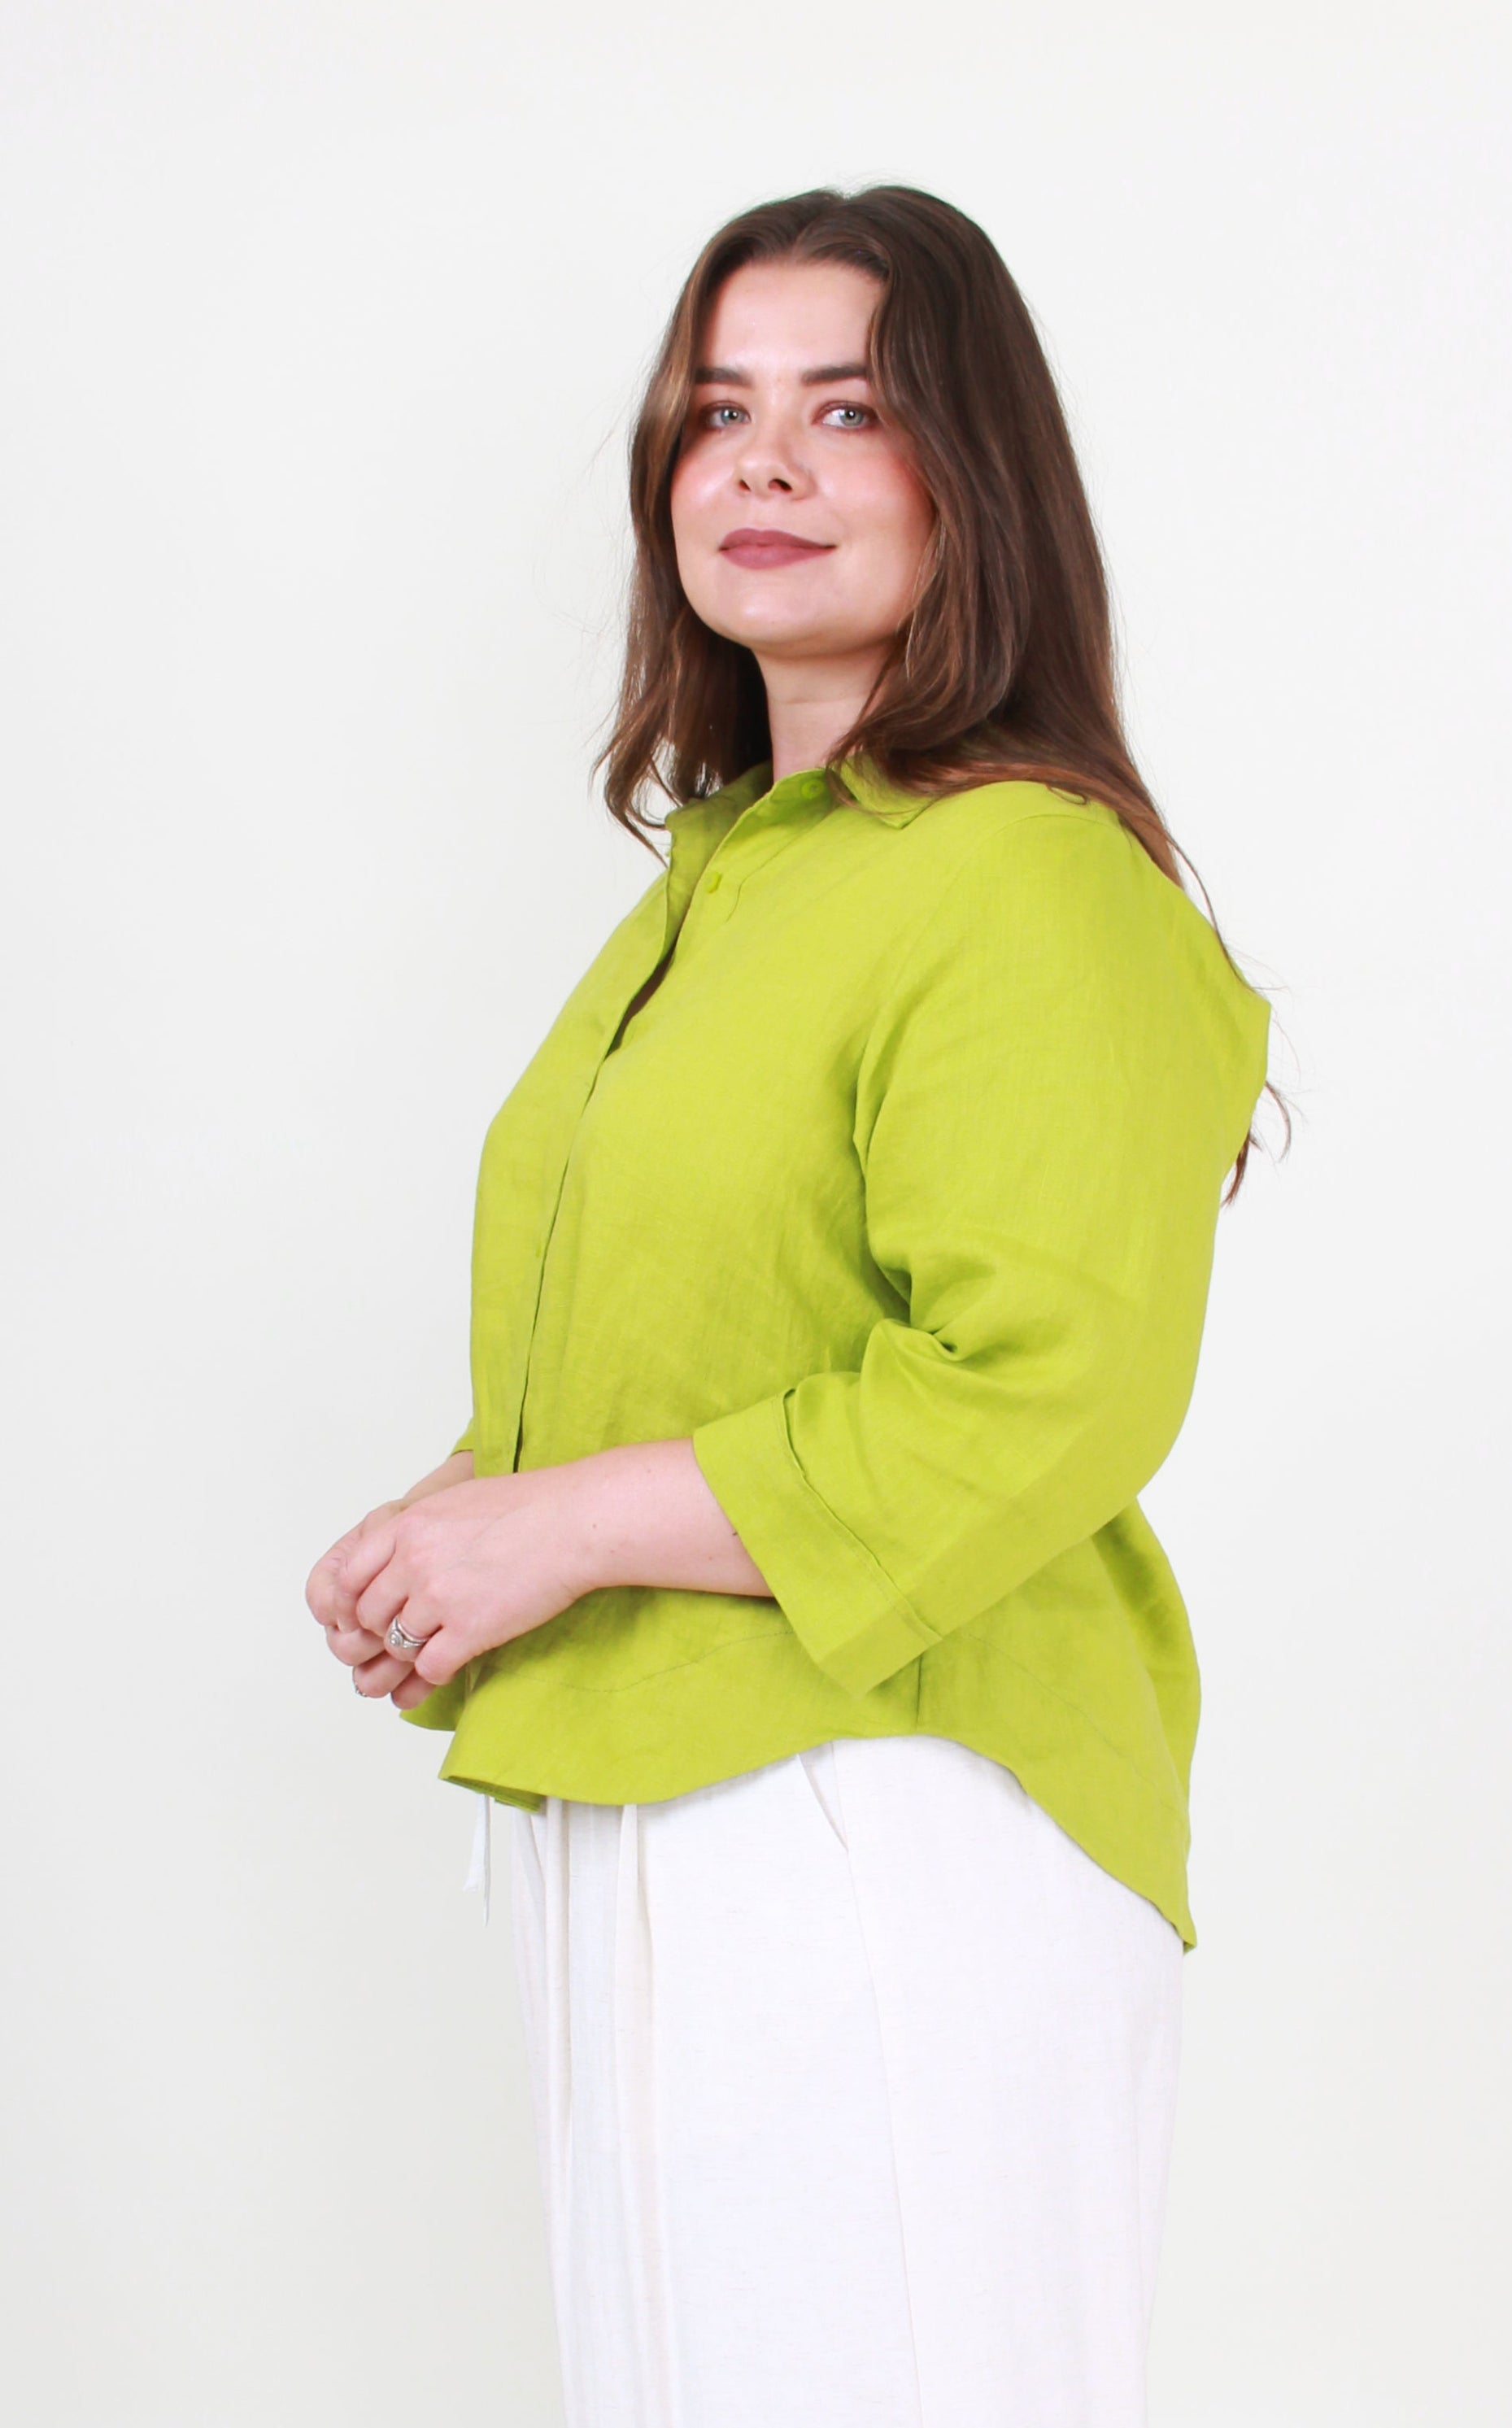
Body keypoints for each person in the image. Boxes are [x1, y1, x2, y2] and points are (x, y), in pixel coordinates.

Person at [306, 184, 1273, 2428]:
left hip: (891, 1815)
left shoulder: (1022, 872)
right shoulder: (731, 882)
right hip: (653, 1797)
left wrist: (548, 1534)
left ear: (976, 472)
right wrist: (469, 1505)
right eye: (716, 411)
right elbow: (708, 1320)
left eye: (848, 408)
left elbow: (1037, 1387)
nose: (761, 463)